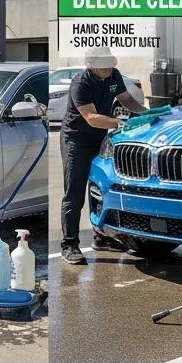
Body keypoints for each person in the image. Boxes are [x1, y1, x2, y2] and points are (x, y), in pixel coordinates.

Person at [59, 47, 146, 266]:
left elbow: (126, 98)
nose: (107, 66)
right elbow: (92, 118)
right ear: (90, 64)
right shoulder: (81, 83)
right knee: (74, 192)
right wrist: (124, 123)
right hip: (76, 140)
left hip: (100, 139)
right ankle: (69, 244)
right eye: (102, 63)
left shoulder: (113, 75)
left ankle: (102, 236)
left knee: (100, 188)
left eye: (109, 62)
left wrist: (145, 114)